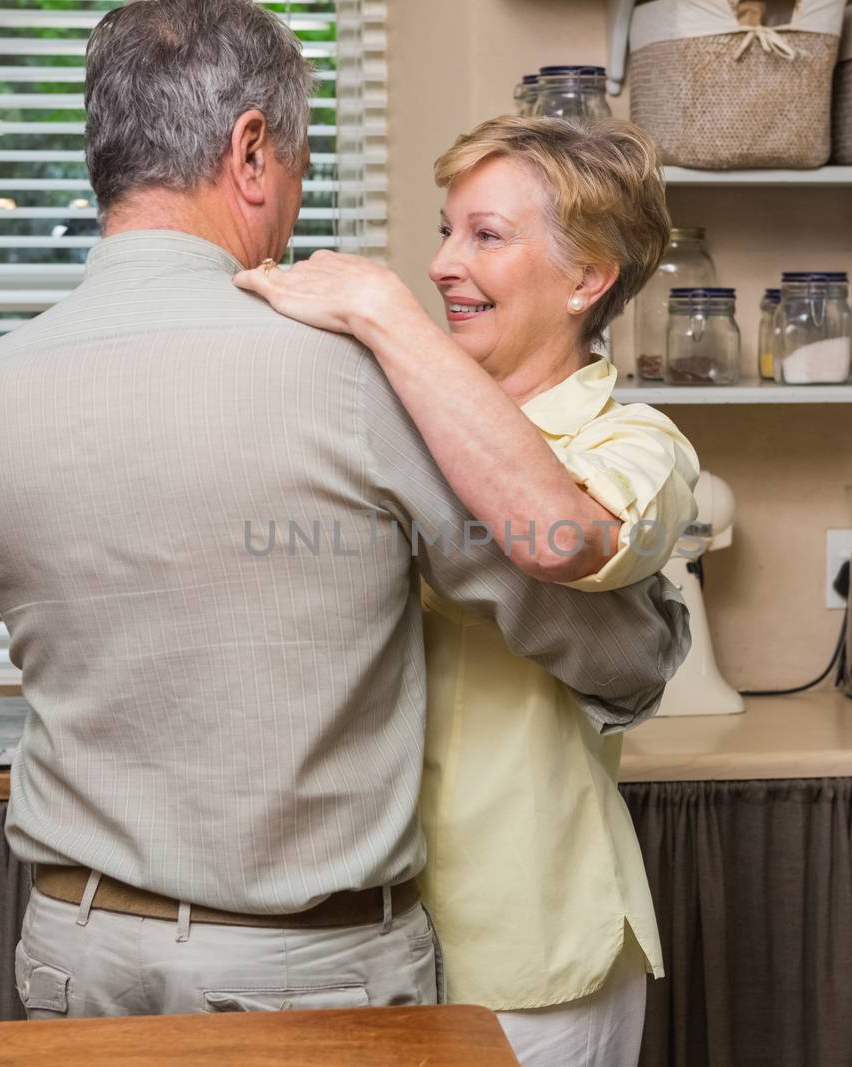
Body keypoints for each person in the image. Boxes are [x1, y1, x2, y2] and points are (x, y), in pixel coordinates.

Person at [0, 0, 689, 1021]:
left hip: (76, 947)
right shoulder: (344, 375)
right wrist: (653, 642)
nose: (294, 198)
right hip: (294, 972)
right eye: (296, 164)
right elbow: (560, 604)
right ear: (251, 150)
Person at [234, 115, 698, 1067]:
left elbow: (557, 536)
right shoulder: (383, 408)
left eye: (485, 236)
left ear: (587, 277)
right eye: (445, 231)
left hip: (529, 953)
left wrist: (381, 308)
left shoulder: (637, 446)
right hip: (354, 941)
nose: (444, 263)